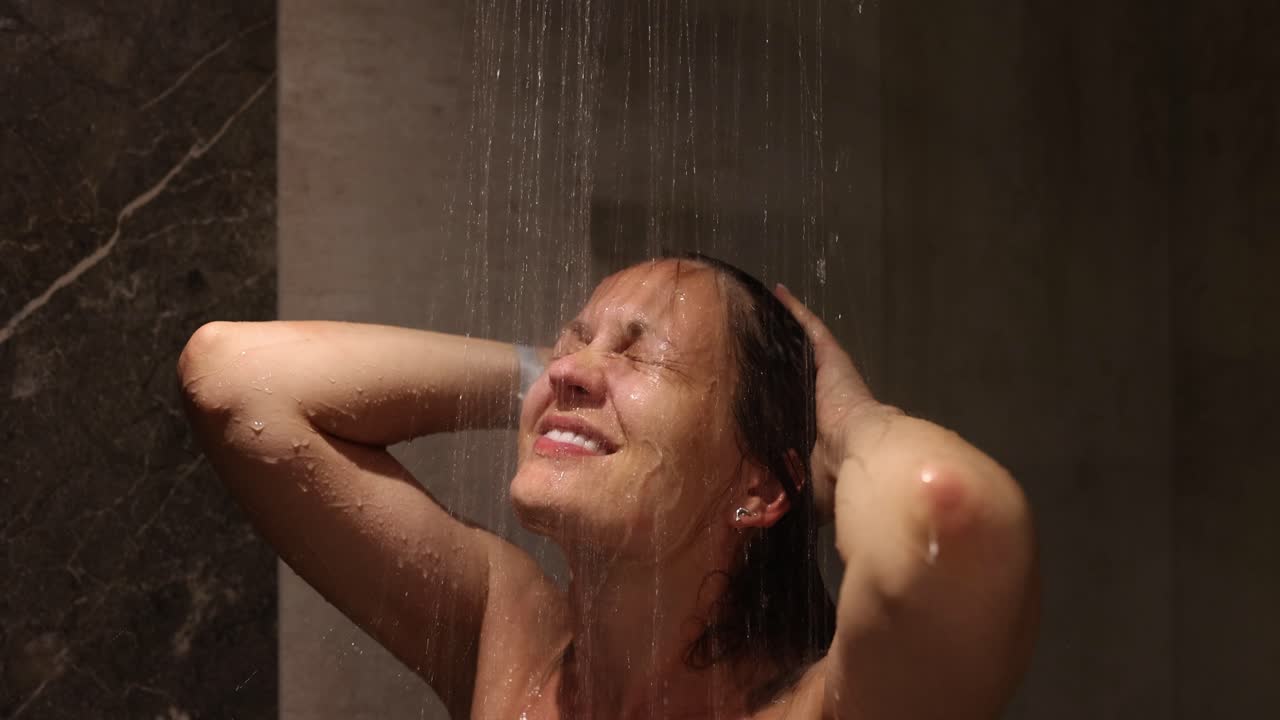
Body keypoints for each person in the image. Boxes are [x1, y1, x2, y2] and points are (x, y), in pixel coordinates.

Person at [179, 253, 1038, 719]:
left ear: (762, 489)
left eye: (638, 352)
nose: (576, 367)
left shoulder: (830, 710)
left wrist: (845, 418)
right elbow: (234, 378)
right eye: (573, 340)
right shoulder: (504, 632)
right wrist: (549, 382)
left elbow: (945, 515)